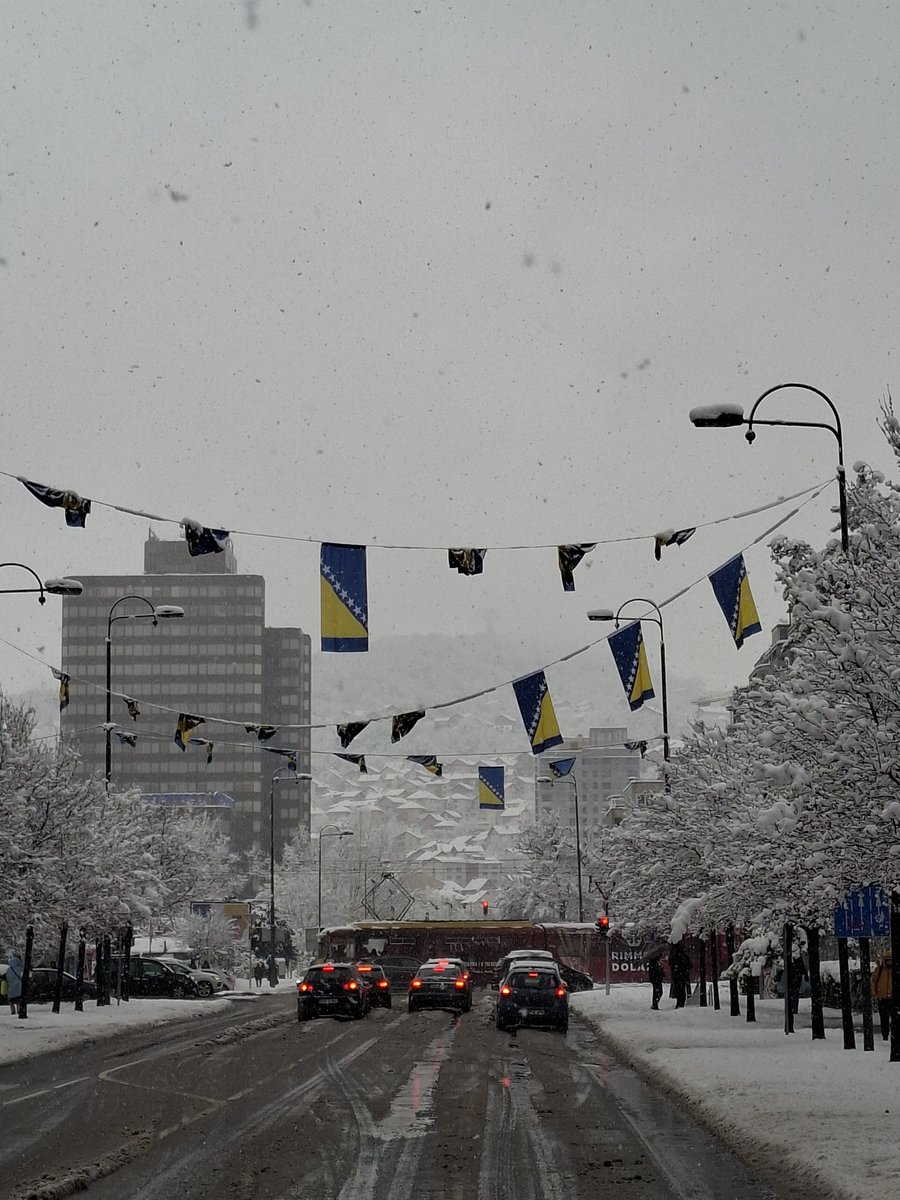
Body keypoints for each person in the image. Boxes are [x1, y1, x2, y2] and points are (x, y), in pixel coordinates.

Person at [871, 949, 892, 1040]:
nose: (889, 962)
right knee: (884, 1018)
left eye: (891, 960)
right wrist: (874, 993)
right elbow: (873, 981)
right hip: (882, 998)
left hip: (893, 998)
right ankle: (885, 1035)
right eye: (887, 960)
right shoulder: (879, 970)